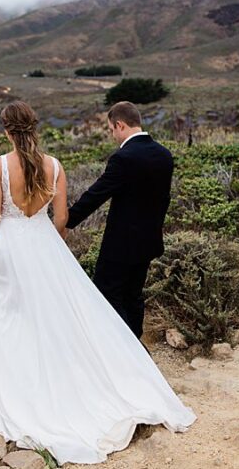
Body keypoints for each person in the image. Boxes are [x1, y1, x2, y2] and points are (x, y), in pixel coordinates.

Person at [0, 101, 194, 465]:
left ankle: (20, 381)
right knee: (61, 316)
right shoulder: (55, 165)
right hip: (46, 244)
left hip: (12, 247)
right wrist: (49, 244)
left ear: (7, 130)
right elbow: (61, 218)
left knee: (13, 315)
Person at [64, 101, 175, 337]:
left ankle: (129, 352)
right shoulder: (164, 155)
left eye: (111, 130)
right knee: (133, 296)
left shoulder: (124, 158)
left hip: (121, 245)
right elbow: (163, 200)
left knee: (107, 293)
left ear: (119, 125)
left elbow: (96, 194)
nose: (112, 135)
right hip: (149, 242)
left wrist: (66, 220)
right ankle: (137, 351)